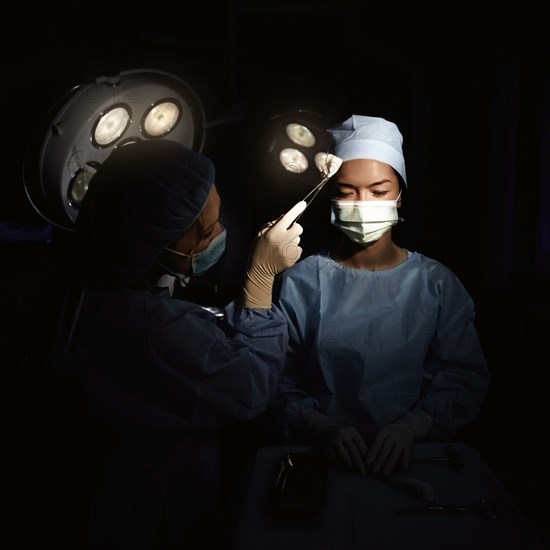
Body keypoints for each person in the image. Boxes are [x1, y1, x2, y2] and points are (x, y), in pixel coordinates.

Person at [45, 138, 306, 549]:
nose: (218, 236)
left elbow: (188, 339)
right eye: (204, 232)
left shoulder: (96, 292)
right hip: (144, 512)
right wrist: (259, 284)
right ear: (152, 237)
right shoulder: (150, 328)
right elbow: (247, 387)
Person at [267, 114, 491, 479]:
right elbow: (275, 377)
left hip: (413, 462)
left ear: (400, 196)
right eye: (346, 191)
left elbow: (463, 377)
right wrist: (317, 425)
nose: (362, 203)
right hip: (320, 463)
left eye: (379, 191)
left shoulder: (435, 284)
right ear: (329, 197)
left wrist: (414, 426)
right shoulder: (303, 280)